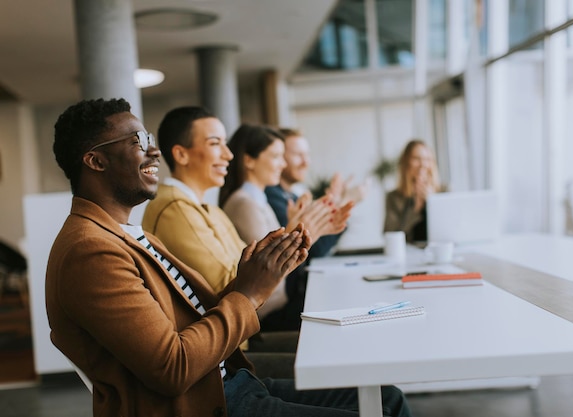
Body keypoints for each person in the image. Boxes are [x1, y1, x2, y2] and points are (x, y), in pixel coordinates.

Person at [46, 98, 412, 417]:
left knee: (387, 400)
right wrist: (249, 293)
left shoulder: (129, 233)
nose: (153, 151)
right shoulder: (90, 251)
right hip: (204, 402)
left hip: (227, 382)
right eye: (138, 141)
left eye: (151, 140)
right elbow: (172, 367)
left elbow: (195, 314)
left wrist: (259, 273)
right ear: (95, 161)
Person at [141, 106, 297, 356]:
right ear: (181, 155)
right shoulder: (174, 208)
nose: (228, 155)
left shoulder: (208, 209)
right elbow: (235, 286)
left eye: (225, 143)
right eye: (215, 144)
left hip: (236, 342)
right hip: (221, 357)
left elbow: (249, 272)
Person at [218, 124, 354, 330]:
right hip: (268, 314)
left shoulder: (257, 201)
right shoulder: (244, 204)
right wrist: (300, 232)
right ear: (249, 161)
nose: (282, 165)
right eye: (275, 157)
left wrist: (307, 230)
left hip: (276, 305)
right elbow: (270, 270)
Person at [265, 127, 368, 258]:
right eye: (298, 155)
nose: (306, 162)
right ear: (280, 156)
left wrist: (336, 201)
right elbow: (314, 250)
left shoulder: (294, 196)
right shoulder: (272, 196)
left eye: (307, 155)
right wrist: (344, 202)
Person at [384, 139, 442, 243]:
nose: (423, 164)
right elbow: (390, 236)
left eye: (427, 159)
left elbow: (451, 230)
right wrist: (416, 209)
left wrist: (433, 201)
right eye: (417, 159)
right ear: (406, 163)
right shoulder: (394, 197)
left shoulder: (444, 192)